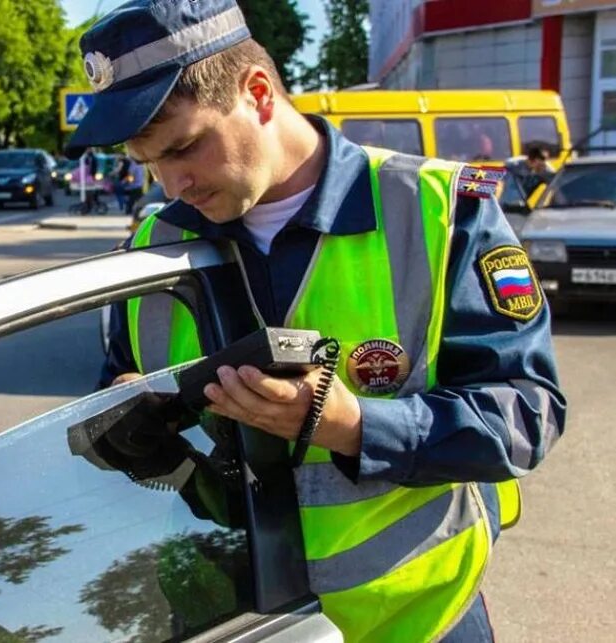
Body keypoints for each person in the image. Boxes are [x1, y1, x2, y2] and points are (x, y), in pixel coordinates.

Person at [65, 1, 566, 641]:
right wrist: (122, 417)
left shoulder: (440, 211)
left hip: (416, 620)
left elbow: (529, 414)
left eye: (185, 146)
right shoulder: (149, 250)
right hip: (228, 620)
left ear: (258, 94)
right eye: (148, 162)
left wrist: (353, 426)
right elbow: (116, 402)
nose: (172, 183)